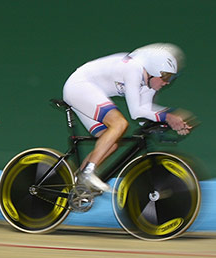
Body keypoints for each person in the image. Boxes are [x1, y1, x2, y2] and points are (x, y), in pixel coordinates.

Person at [62, 43, 193, 193]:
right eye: (165, 77)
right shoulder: (133, 69)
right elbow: (136, 112)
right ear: (153, 70)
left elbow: (146, 115)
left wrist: (172, 121)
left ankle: (78, 185)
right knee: (119, 124)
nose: (167, 82)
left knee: (110, 143)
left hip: (89, 91)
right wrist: (168, 117)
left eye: (171, 78)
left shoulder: (148, 85)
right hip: (79, 86)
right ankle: (88, 173)